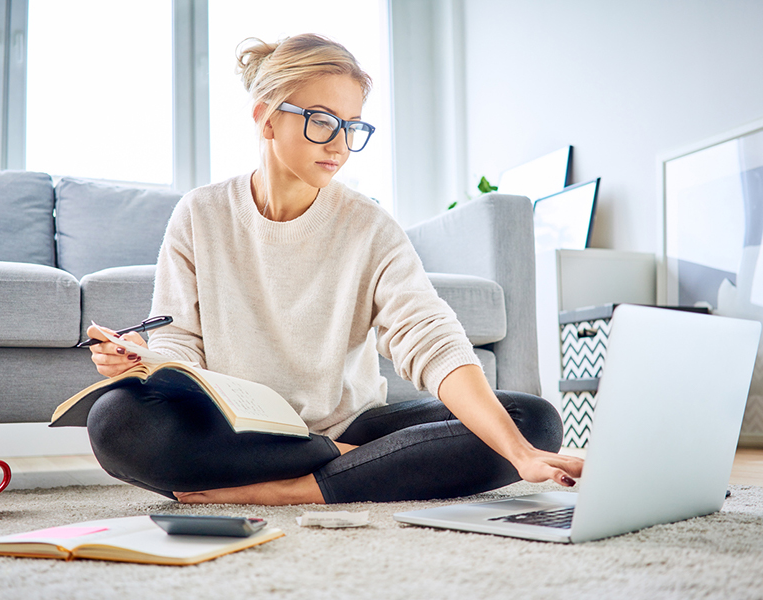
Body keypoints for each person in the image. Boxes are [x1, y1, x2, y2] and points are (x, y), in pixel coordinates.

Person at [85, 33, 583, 506]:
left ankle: (291, 487)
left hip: (351, 426)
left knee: (533, 423)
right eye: (322, 120)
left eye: (353, 126)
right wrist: (148, 364)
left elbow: (428, 335)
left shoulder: (370, 225)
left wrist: (521, 454)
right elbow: (179, 340)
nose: (340, 143)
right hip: (236, 428)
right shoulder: (200, 214)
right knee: (115, 420)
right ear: (266, 118)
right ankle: (356, 470)